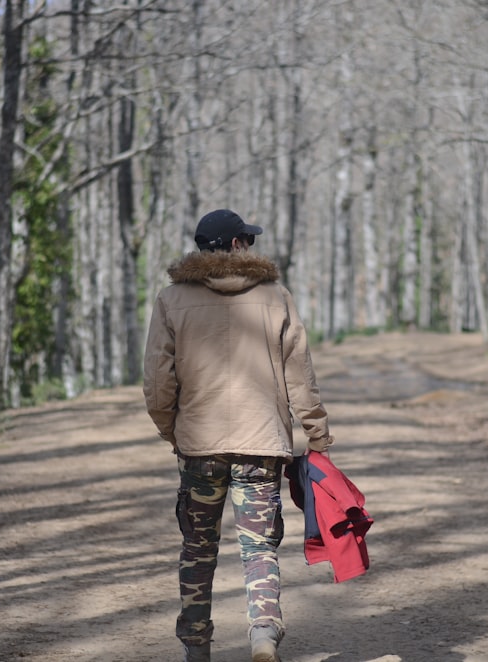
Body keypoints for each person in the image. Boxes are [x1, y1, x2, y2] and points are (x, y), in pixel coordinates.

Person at [143, 208, 334, 662]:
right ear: (233, 246)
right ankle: (263, 632)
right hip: (261, 446)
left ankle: (196, 648)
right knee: (259, 547)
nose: (250, 245)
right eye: (245, 239)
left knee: (197, 547)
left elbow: (157, 382)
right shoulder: (276, 297)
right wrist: (317, 434)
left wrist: (174, 430)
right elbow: (300, 376)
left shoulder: (172, 300)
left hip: (199, 447)